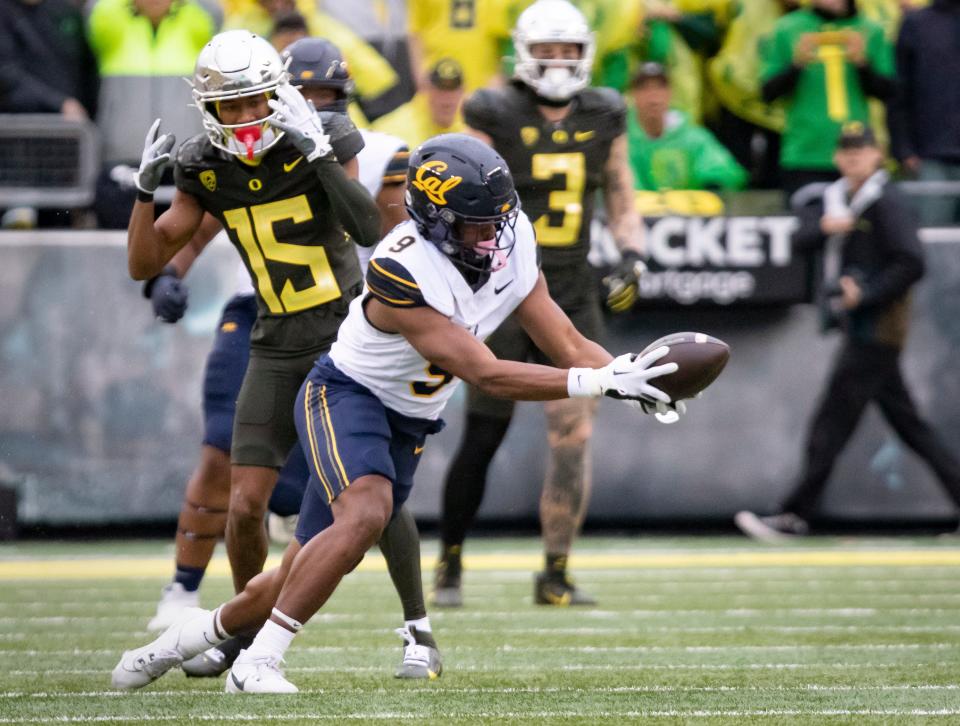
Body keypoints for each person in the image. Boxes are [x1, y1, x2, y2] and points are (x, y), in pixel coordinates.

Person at [111, 132, 686, 694]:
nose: (492, 235)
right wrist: (599, 381)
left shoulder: (510, 244)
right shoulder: (400, 266)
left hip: (409, 420)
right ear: (435, 219)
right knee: (367, 512)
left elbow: (561, 335)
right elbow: (485, 373)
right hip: (345, 397)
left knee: (296, 572)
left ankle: (175, 643)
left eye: (497, 218)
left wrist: (630, 376)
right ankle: (257, 663)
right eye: (475, 224)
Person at [137, 34, 438, 679]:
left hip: (348, 337)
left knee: (373, 491)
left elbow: (369, 229)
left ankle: (419, 628)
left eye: (255, 101)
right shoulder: (205, 161)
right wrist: (147, 206)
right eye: (230, 104)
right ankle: (243, 632)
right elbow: (162, 248)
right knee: (245, 502)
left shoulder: (336, 138)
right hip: (272, 336)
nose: (248, 117)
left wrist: (321, 149)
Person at [434, 0, 649, 609]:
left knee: (574, 433)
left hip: (571, 285)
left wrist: (632, 255)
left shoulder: (605, 111)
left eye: (568, 50)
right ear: (525, 53)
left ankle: (555, 572)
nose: (558, 62)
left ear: (585, 54)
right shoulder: (493, 109)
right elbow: (459, 183)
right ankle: (449, 560)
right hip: (501, 284)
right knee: (484, 430)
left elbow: (621, 190)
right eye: (547, 50)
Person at [734, 124, 960, 542]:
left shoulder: (886, 201)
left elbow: (912, 262)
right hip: (861, 329)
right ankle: (795, 514)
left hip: (876, 328)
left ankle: (794, 514)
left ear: (878, 155)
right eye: (848, 152)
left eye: (862, 152)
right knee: (910, 428)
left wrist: (867, 294)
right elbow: (799, 239)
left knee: (830, 426)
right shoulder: (837, 199)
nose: (854, 159)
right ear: (838, 157)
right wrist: (825, 228)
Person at [86, 0, 217, 228]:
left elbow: (214, 11)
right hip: (124, 160)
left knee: (180, 248)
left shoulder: (195, 22)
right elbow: (94, 9)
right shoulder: (112, 23)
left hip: (183, 160)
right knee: (124, 247)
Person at [761, 0, 896, 198]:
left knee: (863, 224)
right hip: (805, 153)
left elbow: (888, 92)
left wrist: (862, 64)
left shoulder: (870, 30)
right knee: (809, 223)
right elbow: (768, 93)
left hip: (859, 154)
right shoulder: (787, 28)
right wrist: (797, 65)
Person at [887, 0, 960, 226]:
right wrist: (904, 148)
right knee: (930, 242)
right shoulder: (916, 23)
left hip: (932, 150)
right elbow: (899, 92)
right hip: (930, 155)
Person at [626, 61, 747, 192]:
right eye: (644, 88)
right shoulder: (622, 142)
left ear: (670, 93)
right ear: (633, 94)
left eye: (660, 87)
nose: (653, 96)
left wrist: (713, 184)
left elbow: (724, 170)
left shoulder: (693, 138)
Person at [371, 58, 467, 149]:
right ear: (426, 89)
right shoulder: (391, 130)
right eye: (440, 91)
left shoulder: (468, 129)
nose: (447, 99)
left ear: (463, 92)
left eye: (452, 91)